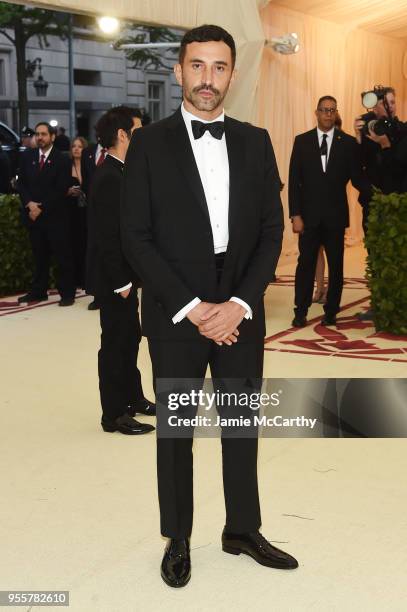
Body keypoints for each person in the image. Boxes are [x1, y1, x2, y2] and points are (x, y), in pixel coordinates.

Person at [121, 24, 298, 588]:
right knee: (177, 432)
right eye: (197, 66)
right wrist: (196, 307)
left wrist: (240, 304)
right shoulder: (148, 144)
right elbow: (136, 238)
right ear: (178, 71)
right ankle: (177, 536)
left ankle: (242, 529)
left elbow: (272, 232)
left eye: (219, 67)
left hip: (240, 313)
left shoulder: (255, 141)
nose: (207, 79)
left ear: (232, 75)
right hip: (178, 315)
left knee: (242, 426)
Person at [86, 106, 156, 436]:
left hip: (125, 277)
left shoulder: (122, 170)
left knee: (129, 339)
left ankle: (132, 398)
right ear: (124, 135)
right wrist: (121, 281)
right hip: (115, 279)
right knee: (115, 344)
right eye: (138, 130)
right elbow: (107, 237)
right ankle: (113, 414)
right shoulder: (109, 176)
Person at [289, 96, 363, 328]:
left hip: (335, 217)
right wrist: (295, 215)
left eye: (332, 110)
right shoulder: (302, 142)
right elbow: (294, 181)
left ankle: (331, 311)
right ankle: (300, 311)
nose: (328, 114)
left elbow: (358, 177)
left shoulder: (348, 143)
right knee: (305, 266)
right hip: (308, 218)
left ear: (335, 113)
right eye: (324, 110)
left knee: (337, 266)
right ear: (317, 112)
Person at [353, 86, 404, 321]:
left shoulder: (403, 130)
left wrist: (385, 144)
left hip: (399, 205)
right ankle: (378, 301)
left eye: (392, 102)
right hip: (373, 204)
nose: (390, 106)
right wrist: (359, 138)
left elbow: (400, 168)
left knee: (398, 255)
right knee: (375, 253)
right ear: (375, 106)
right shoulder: (368, 128)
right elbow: (358, 167)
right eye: (385, 103)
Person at [17, 122, 75, 306]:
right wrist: (29, 204)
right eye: (37, 134)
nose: (40, 137)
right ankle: (38, 291)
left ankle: (67, 293)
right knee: (39, 257)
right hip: (34, 218)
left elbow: (61, 188)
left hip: (55, 217)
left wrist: (40, 208)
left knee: (62, 257)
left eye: (43, 134)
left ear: (52, 137)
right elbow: (22, 184)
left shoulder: (63, 159)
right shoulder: (28, 156)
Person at [82, 132, 108, 311]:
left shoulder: (118, 153)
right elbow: (86, 181)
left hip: (113, 208)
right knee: (94, 250)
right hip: (92, 210)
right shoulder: (88, 152)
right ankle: (97, 294)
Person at [67, 136, 88, 289]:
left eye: (79, 146)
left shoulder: (89, 165)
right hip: (71, 211)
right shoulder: (66, 165)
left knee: (86, 244)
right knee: (74, 245)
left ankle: (86, 278)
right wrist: (67, 191)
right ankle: (75, 279)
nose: (76, 149)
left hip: (87, 211)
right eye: (74, 146)